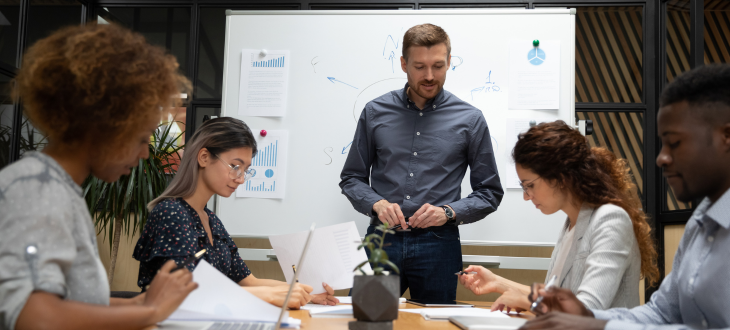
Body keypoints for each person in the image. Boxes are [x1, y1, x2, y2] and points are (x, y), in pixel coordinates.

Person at [0, 24, 197, 330]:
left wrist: (138, 304)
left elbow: (74, 302)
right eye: (142, 138)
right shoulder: (36, 188)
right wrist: (150, 312)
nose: (146, 154)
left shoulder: (60, 187)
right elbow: (36, 317)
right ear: (106, 126)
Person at [519, 64, 730, 330]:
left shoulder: (608, 218)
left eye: (674, 142)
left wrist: (600, 326)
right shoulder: (701, 222)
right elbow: (661, 313)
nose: (661, 158)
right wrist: (586, 317)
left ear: (727, 135)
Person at [339, 23, 504, 303]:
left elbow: (490, 192)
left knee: (436, 324)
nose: (429, 76)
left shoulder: (471, 119)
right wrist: (376, 204)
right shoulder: (374, 112)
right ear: (403, 64)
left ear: (449, 62)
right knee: (369, 320)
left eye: (438, 66)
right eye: (419, 66)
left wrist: (448, 212)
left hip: (439, 246)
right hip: (382, 240)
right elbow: (351, 178)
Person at [134, 117, 339, 309]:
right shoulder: (171, 213)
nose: (240, 179)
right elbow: (186, 293)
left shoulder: (211, 220)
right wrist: (271, 297)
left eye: (245, 170)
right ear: (204, 157)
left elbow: (250, 282)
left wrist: (306, 295)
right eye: (235, 166)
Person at [458, 121, 659, 313]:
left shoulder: (611, 219)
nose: (526, 196)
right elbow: (555, 298)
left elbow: (589, 308)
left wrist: (530, 302)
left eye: (530, 185)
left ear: (560, 178)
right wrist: (498, 283)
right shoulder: (571, 223)